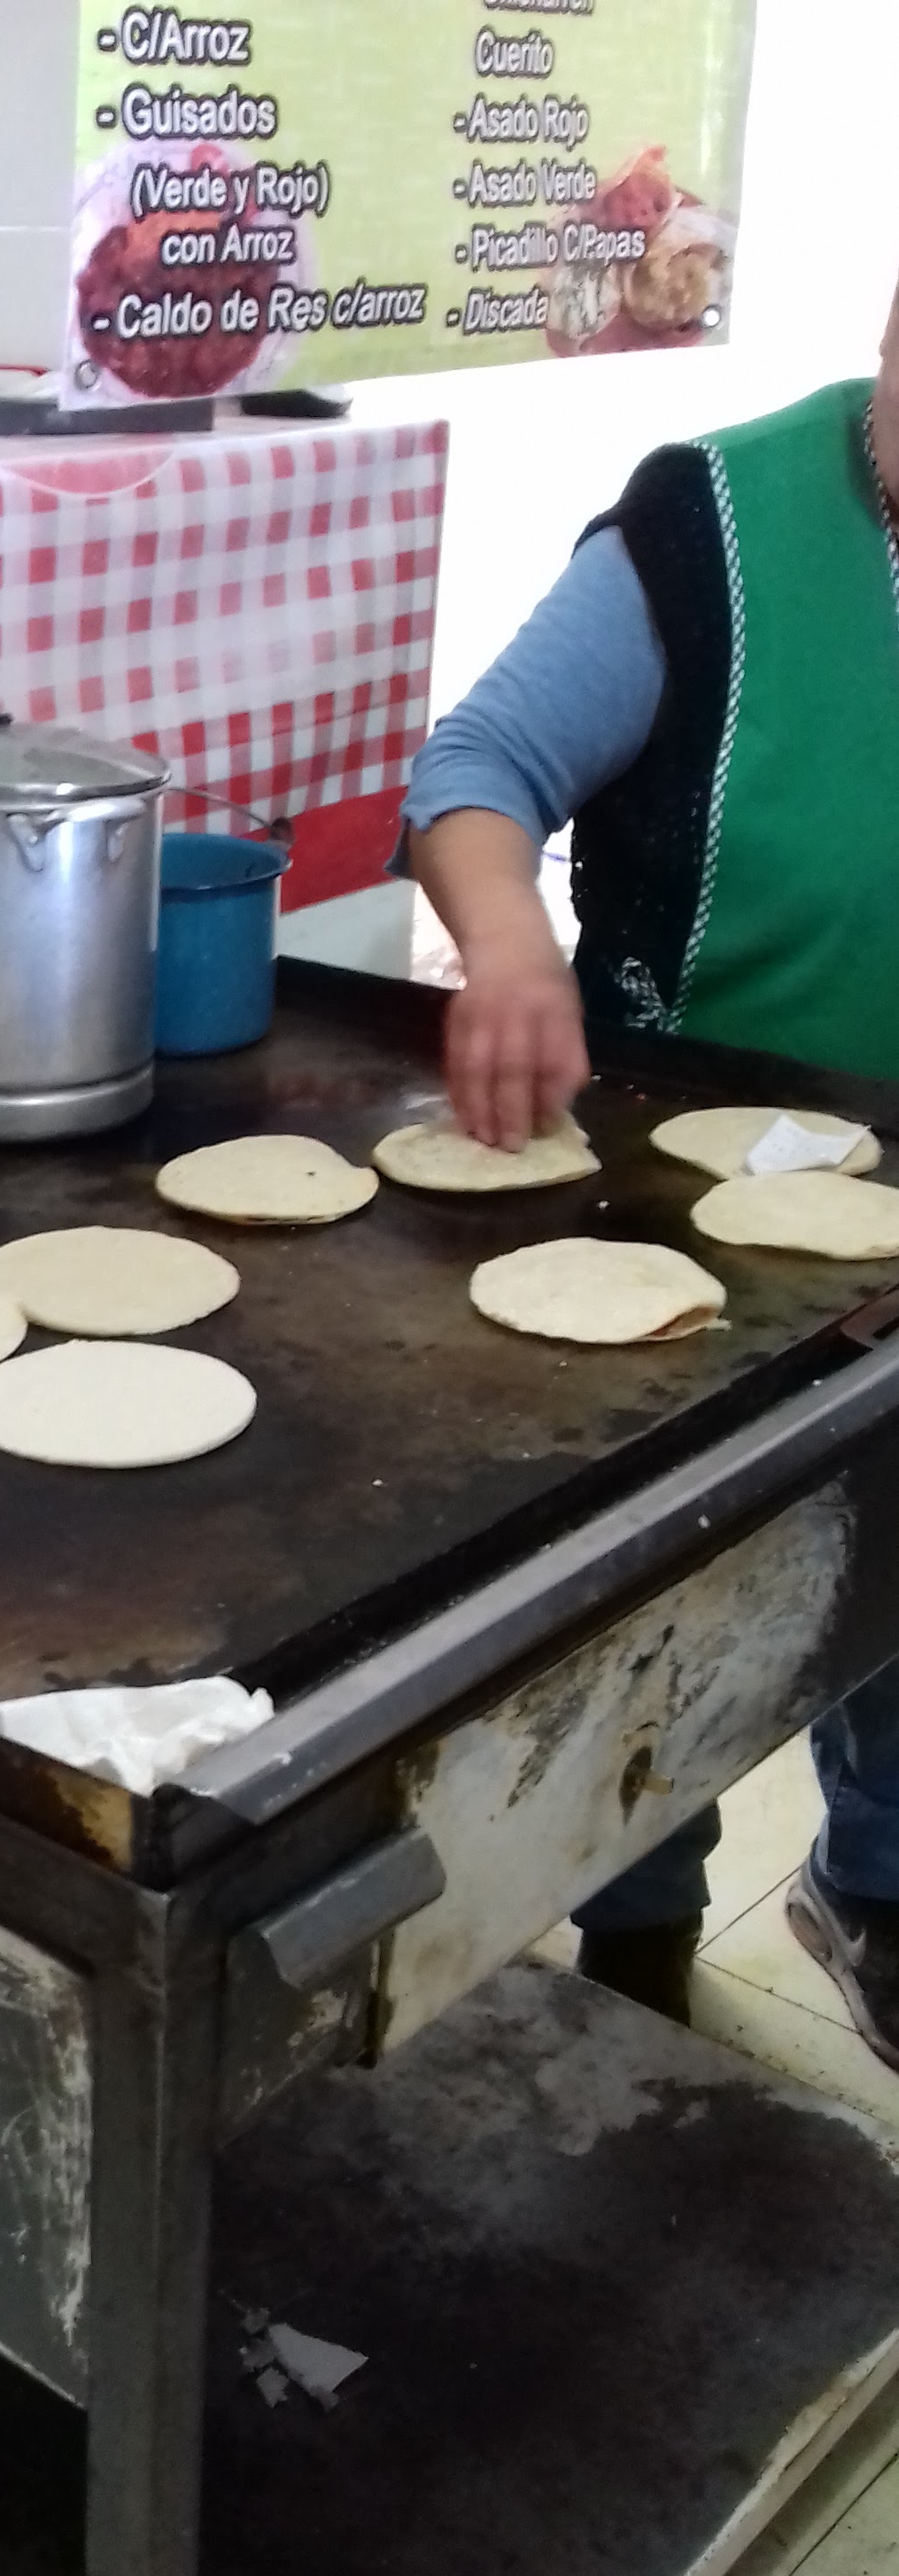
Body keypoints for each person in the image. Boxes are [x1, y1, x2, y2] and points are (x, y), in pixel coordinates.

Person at [396, 279, 899, 2061]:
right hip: (665, 1198)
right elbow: (478, 767)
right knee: (656, 1614)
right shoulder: (720, 524)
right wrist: (509, 942)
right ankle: (638, 1936)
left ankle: (880, 1892)